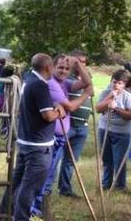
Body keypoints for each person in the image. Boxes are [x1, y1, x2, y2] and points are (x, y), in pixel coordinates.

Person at [0, 53, 65, 221]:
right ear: (48, 67)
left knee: (17, 182)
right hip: (38, 145)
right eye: (52, 66)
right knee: (30, 187)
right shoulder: (40, 86)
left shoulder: (28, 79)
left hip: (26, 142)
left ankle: (4, 213)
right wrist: (59, 111)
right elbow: (48, 116)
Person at [31, 54, 92, 212]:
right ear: (52, 67)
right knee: (44, 175)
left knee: (49, 174)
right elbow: (70, 107)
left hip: (60, 137)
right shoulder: (51, 84)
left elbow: (87, 82)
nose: (64, 71)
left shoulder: (65, 83)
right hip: (50, 137)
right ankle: (33, 209)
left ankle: (40, 207)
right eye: (60, 67)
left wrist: (78, 64)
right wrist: (86, 94)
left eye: (67, 68)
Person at [58, 50, 94, 197]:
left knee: (71, 160)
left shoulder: (87, 79)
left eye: (83, 61)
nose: (81, 64)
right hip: (68, 125)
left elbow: (88, 85)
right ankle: (45, 189)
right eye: (77, 61)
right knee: (54, 158)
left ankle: (65, 189)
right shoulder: (68, 79)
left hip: (82, 127)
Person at [95, 70, 131, 191]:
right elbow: (98, 109)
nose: (116, 85)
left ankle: (120, 185)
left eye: (119, 83)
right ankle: (106, 183)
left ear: (124, 84)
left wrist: (117, 109)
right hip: (105, 129)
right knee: (106, 159)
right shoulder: (105, 93)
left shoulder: (128, 97)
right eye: (114, 82)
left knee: (119, 160)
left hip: (121, 132)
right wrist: (109, 98)